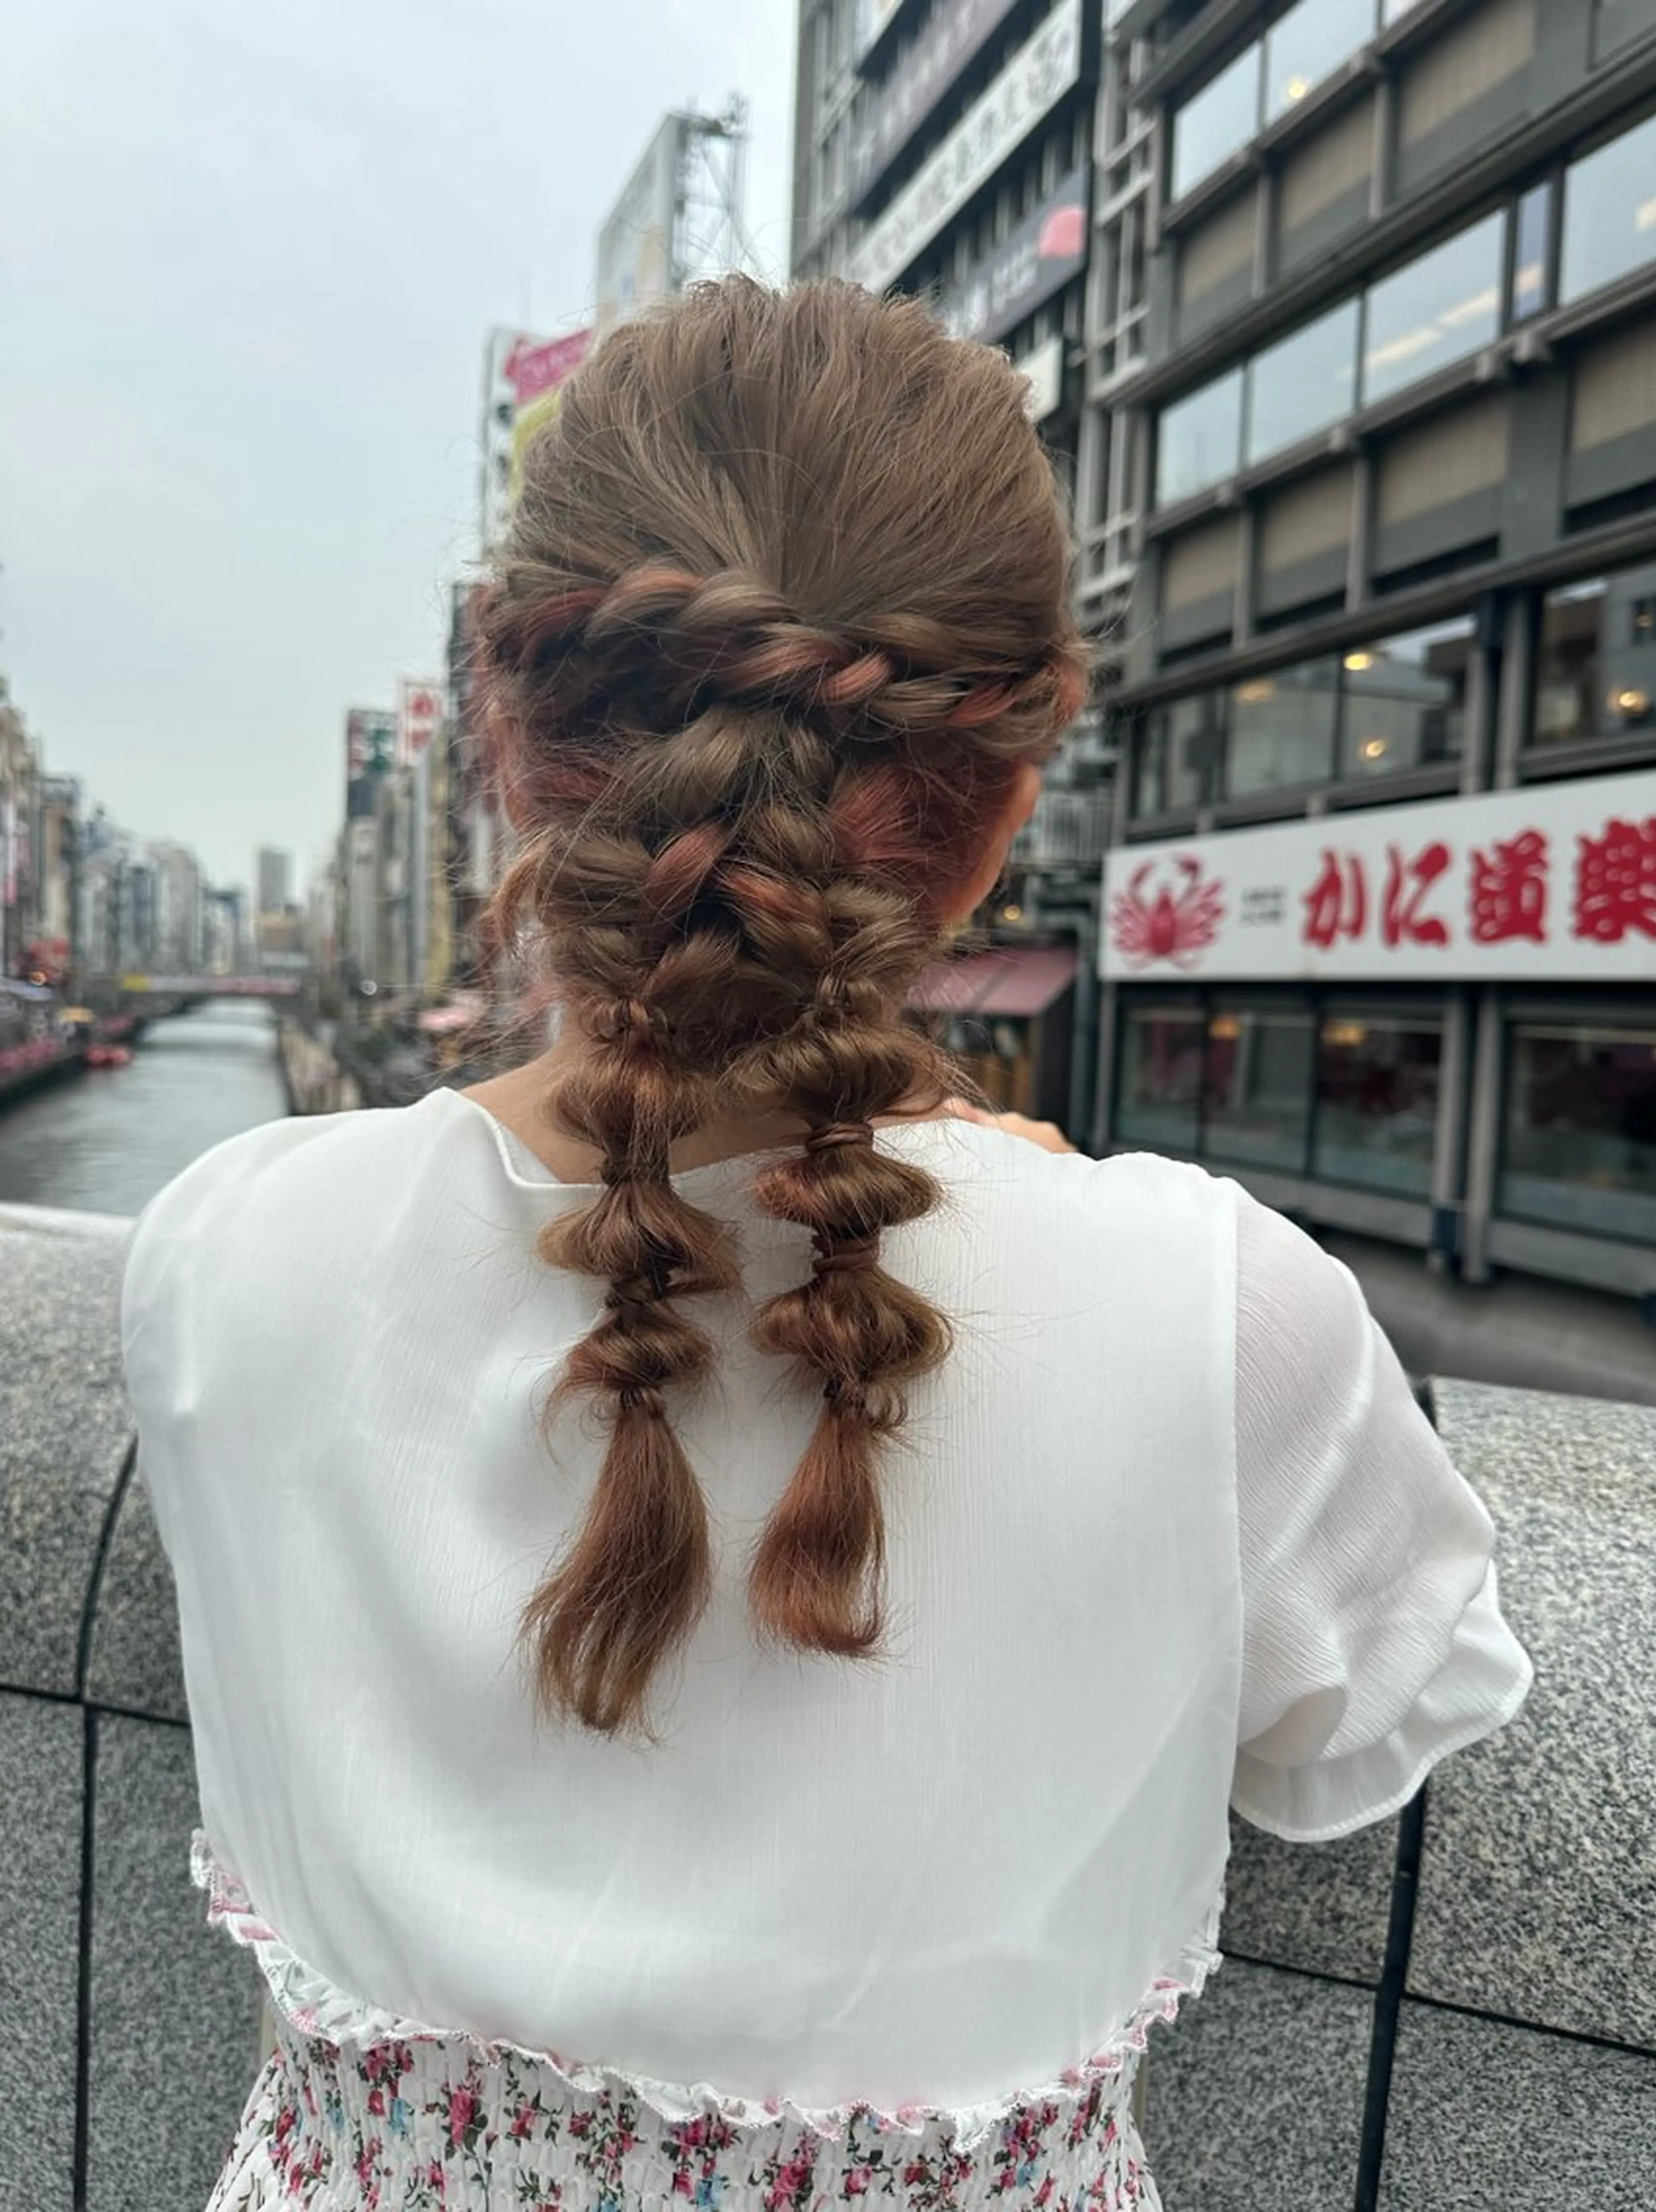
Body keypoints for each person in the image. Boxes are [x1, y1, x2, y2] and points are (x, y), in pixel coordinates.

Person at [122, 279, 1531, 2212]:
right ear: (1004, 801)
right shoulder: (1224, 1315)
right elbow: (1369, 1722)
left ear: (511, 744)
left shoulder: (225, 1254)